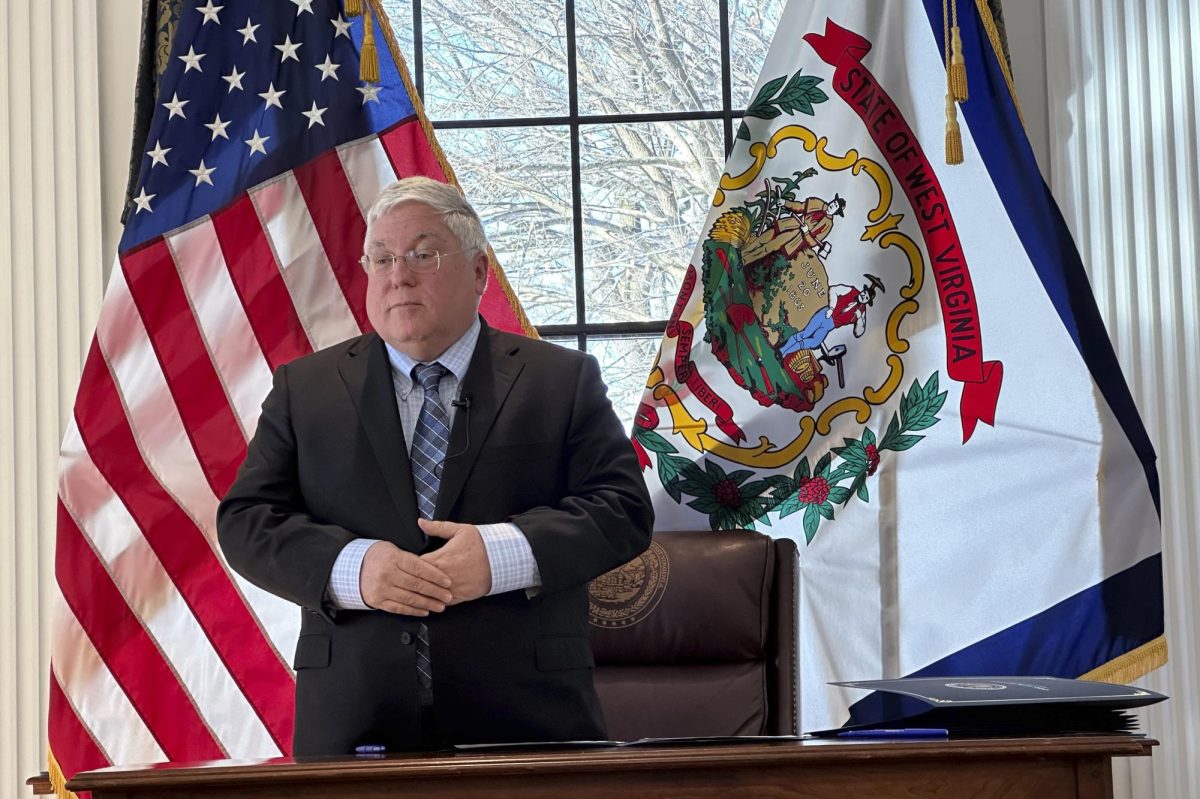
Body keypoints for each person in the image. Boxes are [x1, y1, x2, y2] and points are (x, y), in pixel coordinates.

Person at [217, 177, 654, 755]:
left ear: (478, 273)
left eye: (423, 254)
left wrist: (501, 556)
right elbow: (246, 520)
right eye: (382, 259)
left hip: (529, 723)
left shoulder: (560, 380)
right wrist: (354, 569)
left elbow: (622, 509)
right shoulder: (306, 389)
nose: (399, 274)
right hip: (355, 725)